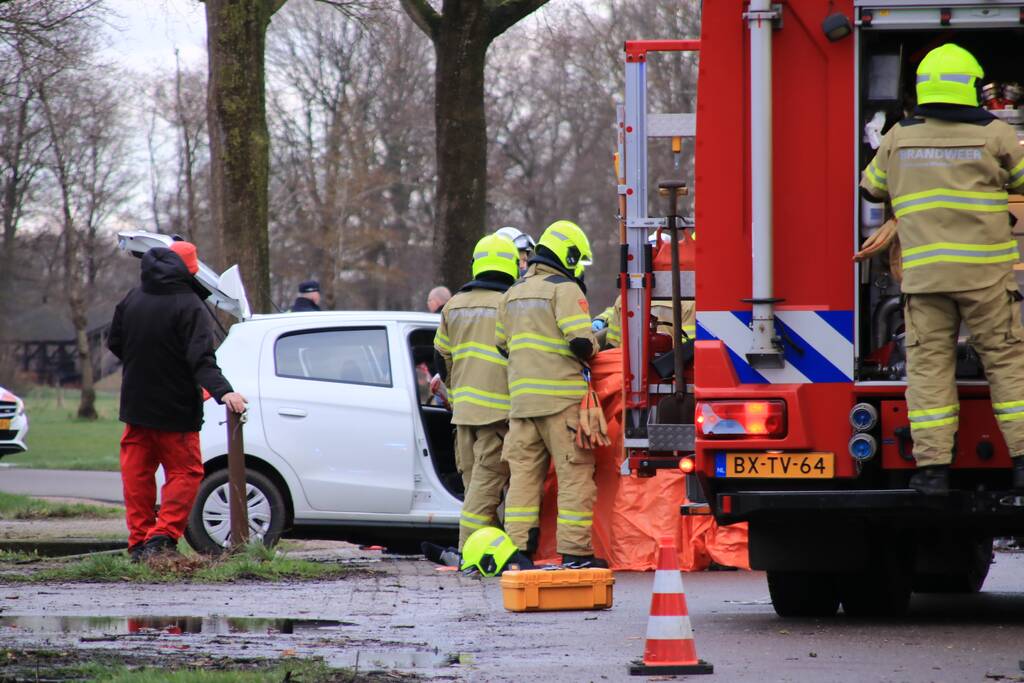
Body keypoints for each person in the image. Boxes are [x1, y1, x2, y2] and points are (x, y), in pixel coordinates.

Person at [859, 43, 1024, 494]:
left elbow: (870, 189)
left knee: (929, 370)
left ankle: (932, 473)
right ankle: (1022, 464)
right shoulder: (996, 135)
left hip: (926, 278)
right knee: (1006, 364)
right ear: (971, 86)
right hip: (985, 279)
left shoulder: (898, 138)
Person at [109, 241, 247, 561]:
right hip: (176, 409)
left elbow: (115, 342)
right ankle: (162, 537)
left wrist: (143, 365)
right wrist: (224, 391)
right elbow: (201, 360)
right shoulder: (190, 305)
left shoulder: (132, 298)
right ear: (190, 270)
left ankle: (139, 542)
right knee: (185, 473)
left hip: (136, 406)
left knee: (137, 475)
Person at [497, 220, 606, 568]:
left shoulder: (512, 293)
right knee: (575, 476)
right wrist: (598, 340)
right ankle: (575, 554)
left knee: (523, 479)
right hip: (561, 403)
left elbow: (501, 345)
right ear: (568, 255)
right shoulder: (564, 289)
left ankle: (518, 554)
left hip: (522, 405)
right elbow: (581, 343)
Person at [433, 234, 519, 551]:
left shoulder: (453, 306)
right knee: (485, 494)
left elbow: (440, 357)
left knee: (477, 491)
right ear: (512, 265)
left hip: (464, 416)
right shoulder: (511, 305)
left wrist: (456, 392)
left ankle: (488, 552)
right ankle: (469, 550)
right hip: (500, 416)